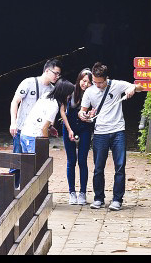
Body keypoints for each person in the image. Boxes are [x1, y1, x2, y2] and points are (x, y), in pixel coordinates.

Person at [79, 62, 145, 211]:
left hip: (118, 131)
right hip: (100, 133)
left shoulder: (116, 85)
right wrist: (84, 115)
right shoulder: (90, 91)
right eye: (94, 82)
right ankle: (98, 198)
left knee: (120, 167)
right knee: (98, 168)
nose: (97, 85)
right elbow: (82, 111)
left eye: (100, 82)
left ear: (106, 79)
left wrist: (132, 89)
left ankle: (117, 199)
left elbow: (140, 87)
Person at [9, 59, 61, 184]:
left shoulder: (52, 90)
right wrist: (13, 122)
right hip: (22, 129)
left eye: (59, 75)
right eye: (56, 73)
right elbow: (15, 101)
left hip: (37, 133)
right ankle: (14, 192)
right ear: (47, 70)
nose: (57, 77)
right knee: (17, 162)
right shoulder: (28, 82)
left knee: (36, 164)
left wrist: (49, 127)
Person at [62, 69, 93, 205]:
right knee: (71, 160)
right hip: (69, 126)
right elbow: (62, 112)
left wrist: (91, 116)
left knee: (82, 160)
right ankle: (71, 192)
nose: (85, 84)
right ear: (79, 79)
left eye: (89, 82)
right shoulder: (70, 92)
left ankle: (82, 193)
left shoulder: (94, 95)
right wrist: (69, 130)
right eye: (83, 80)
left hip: (85, 128)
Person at [18, 82, 66, 152]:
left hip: (25, 133)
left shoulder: (46, 95)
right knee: (37, 161)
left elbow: (40, 116)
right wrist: (45, 144)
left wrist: (50, 127)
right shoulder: (54, 105)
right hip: (34, 137)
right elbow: (44, 128)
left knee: (27, 161)